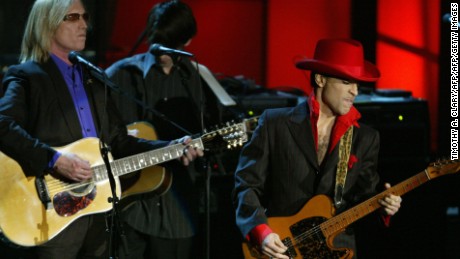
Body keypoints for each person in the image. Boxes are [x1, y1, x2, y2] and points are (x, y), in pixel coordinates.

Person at [0, 0, 202, 258]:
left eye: (84, 17)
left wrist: (171, 147)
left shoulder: (93, 78)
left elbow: (119, 141)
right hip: (50, 215)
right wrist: (54, 160)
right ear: (47, 23)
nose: (84, 24)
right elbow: (3, 125)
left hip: (98, 218)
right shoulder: (27, 76)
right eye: (72, 17)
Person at [232, 38, 402, 259]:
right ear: (320, 79)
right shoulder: (274, 124)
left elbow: (363, 198)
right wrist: (262, 233)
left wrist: (382, 206)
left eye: (357, 84)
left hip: (337, 250)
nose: (355, 92)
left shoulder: (365, 138)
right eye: (346, 82)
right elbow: (246, 186)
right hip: (281, 248)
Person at [105, 1, 220, 258]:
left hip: (176, 213)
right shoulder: (120, 75)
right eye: (157, 40)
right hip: (128, 207)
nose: (160, 51)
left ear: (187, 41)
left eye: (171, 43)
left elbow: (214, 140)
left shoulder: (200, 81)